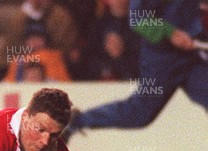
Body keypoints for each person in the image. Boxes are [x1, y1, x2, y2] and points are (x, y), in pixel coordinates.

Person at [63, 0, 208, 141]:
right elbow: (139, 19)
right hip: (163, 61)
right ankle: (78, 121)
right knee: (139, 113)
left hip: (193, 55)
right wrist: (170, 33)